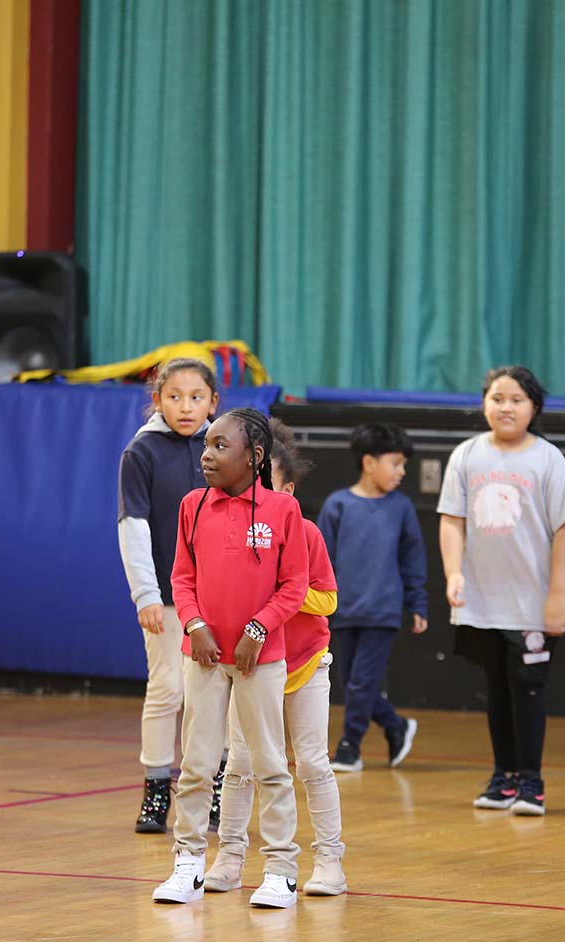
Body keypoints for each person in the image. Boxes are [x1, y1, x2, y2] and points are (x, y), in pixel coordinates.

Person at [154, 408, 308, 909]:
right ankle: (188, 864)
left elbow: (294, 586)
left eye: (220, 446)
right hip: (202, 657)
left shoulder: (283, 512)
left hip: (258, 659)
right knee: (196, 765)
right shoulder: (192, 505)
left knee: (269, 765)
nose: (207, 455)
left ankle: (281, 871)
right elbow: (182, 577)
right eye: (206, 445)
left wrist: (258, 630)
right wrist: (194, 626)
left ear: (255, 456)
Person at [204, 419, 347, 898]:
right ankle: (229, 857)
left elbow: (328, 601)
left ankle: (328, 861)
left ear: (289, 491)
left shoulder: (306, 533)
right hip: (251, 667)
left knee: (312, 764)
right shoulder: (229, 527)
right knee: (240, 763)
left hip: (304, 664)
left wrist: (285, 590)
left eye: (270, 485)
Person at [438, 366, 565, 817]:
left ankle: (532, 782)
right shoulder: (466, 455)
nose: (506, 407)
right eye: (497, 398)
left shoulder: (549, 460)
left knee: (529, 688)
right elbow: (452, 520)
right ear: (484, 404)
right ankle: (505, 777)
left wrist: (557, 595)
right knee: (496, 686)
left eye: (516, 399)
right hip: (482, 600)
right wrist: (453, 573)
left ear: (534, 407)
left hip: (532, 603)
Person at [118, 358, 222, 833]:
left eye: (196, 397)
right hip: (167, 595)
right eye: (174, 397)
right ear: (157, 399)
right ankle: (157, 787)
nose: (185, 407)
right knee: (168, 689)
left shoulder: (225, 447)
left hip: (220, 596)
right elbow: (133, 525)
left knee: (217, 693)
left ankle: (217, 787)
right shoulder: (142, 452)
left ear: (213, 401)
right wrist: (145, 593)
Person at [316, 424, 427, 773]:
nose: (401, 471)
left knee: (361, 683)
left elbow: (412, 559)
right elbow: (321, 560)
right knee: (352, 684)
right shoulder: (337, 505)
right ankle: (395, 725)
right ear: (368, 463)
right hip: (343, 611)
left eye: (404, 465)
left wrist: (418, 603)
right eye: (395, 463)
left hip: (382, 612)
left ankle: (350, 746)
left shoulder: (401, 508)